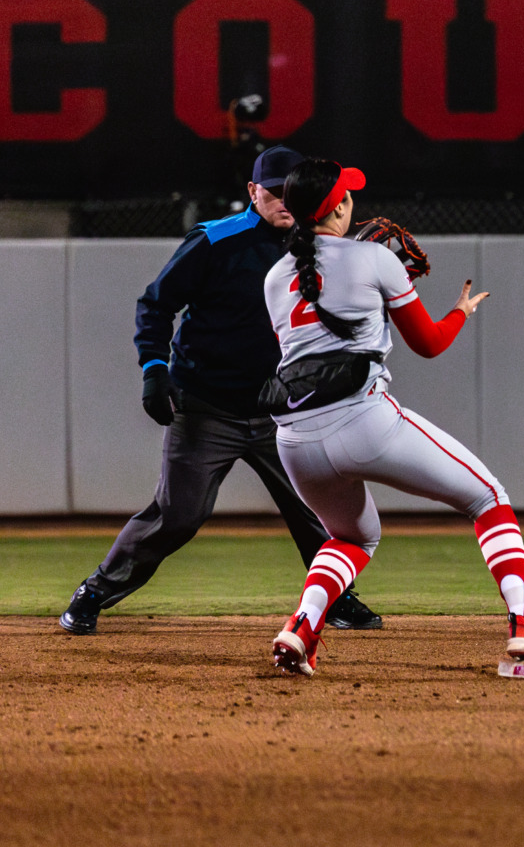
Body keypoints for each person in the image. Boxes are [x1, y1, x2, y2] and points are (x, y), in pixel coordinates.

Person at [261, 158, 524, 676]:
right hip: (363, 422)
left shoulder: (275, 278)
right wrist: (460, 310)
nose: (352, 201)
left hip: (295, 441)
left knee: (352, 537)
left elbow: (317, 337)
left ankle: (301, 628)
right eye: (347, 195)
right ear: (338, 208)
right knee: (488, 497)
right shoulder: (373, 259)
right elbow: (429, 344)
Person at [58, 146, 380, 635]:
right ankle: (95, 591)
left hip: (283, 409)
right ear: (252, 191)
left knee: (316, 508)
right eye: (273, 192)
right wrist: (154, 367)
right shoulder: (215, 240)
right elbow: (156, 304)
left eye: (291, 191)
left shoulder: (319, 245)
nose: (284, 200)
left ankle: (335, 599)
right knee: (178, 516)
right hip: (207, 406)